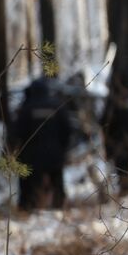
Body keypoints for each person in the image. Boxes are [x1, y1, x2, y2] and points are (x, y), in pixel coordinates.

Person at [8, 77, 82, 210]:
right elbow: (68, 130)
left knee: (27, 181)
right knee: (57, 179)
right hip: (55, 154)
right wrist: (63, 149)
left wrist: (15, 151)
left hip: (31, 155)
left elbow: (17, 132)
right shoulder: (57, 107)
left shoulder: (26, 109)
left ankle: (26, 205)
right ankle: (59, 203)